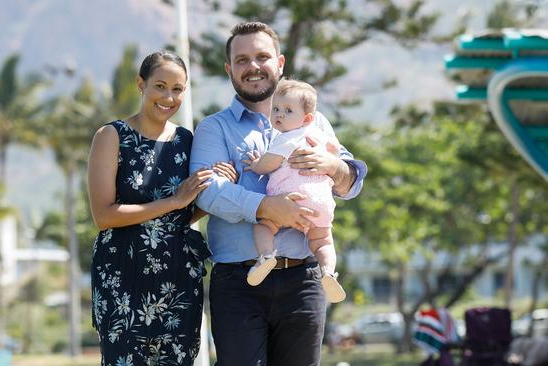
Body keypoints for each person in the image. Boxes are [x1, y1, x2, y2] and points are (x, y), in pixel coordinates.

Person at [189, 22, 368, 366]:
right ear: (229, 69)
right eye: (242, 60)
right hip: (239, 283)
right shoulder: (215, 128)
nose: (253, 66)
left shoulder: (314, 123)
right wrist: (268, 207)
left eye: (262, 56)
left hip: (304, 279)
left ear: (280, 63)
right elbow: (208, 193)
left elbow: (351, 184)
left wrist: (332, 166)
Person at [88, 51, 237, 366]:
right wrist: (174, 201)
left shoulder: (187, 140)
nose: (169, 97)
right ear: (141, 84)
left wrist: (215, 190)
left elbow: (185, 211)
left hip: (179, 279)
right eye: (160, 86)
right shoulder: (111, 136)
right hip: (121, 279)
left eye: (178, 89)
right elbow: (104, 216)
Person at [242, 79, 346, 304]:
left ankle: (266, 257)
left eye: (288, 111)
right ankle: (328, 271)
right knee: (323, 241)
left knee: (264, 226)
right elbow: (335, 149)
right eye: (276, 109)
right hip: (321, 201)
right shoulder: (318, 133)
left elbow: (269, 163)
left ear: (306, 118)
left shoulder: (288, 137)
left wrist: (255, 165)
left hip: (292, 197)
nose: (279, 114)